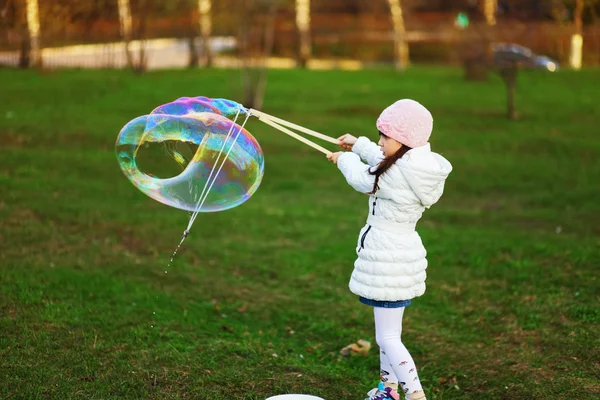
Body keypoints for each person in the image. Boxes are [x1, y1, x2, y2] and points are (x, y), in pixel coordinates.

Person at [326, 99, 452, 400]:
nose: (381, 142)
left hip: (387, 259)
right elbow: (386, 157)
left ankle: (415, 395)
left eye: (385, 136)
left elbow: (363, 178)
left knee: (387, 337)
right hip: (401, 255)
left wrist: (343, 160)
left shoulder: (393, 176)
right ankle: (388, 391)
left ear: (404, 141)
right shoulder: (415, 166)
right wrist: (359, 145)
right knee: (389, 335)